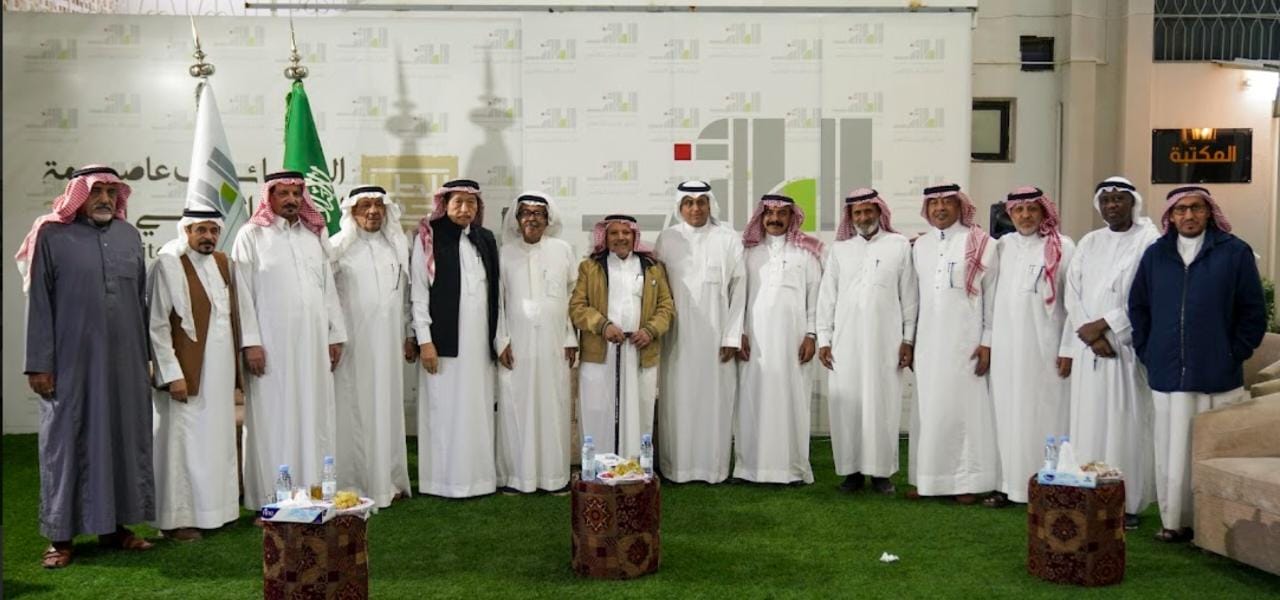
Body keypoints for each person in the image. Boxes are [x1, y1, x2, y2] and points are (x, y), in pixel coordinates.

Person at [18, 165, 155, 568]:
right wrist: (38, 364)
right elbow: (39, 302)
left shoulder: (129, 236)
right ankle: (60, 537)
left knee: (122, 439)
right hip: (71, 363)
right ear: (78, 195)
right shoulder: (50, 235)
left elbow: (140, 301)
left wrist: (146, 358)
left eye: (112, 192)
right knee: (66, 444)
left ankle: (117, 528)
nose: (106, 199)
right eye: (97, 192)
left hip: (125, 363)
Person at [1130, 186, 1266, 542]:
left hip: (1216, 373)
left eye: (1196, 208)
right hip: (1167, 372)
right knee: (1171, 451)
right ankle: (1174, 522)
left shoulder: (1234, 252)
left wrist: (1233, 352)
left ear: (1209, 212)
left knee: (1211, 452)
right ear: (1171, 216)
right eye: (1181, 210)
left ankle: (1212, 528)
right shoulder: (1156, 254)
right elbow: (1139, 307)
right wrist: (1148, 350)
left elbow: (1253, 312)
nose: (1188, 216)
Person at [232, 171, 347, 511]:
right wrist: (251, 342)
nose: (292, 200)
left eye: (297, 194)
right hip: (270, 347)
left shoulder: (313, 236)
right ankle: (271, 500)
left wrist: (335, 335)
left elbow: (328, 290)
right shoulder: (251, 235)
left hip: (313, 344)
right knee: (273, 419)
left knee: (314, 415)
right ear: (269, 197)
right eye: (283, 194)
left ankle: (312, 492)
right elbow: (242, 294)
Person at [1064, 176, 1160, 529]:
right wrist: (1089, 333)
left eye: (1119, 199)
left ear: (1133, 202)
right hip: (1089, 346)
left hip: (1125, 347)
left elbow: (1146, 295)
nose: (1112, 205)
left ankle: (1125, 503)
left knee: (1125, 424)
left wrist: (1106, 325)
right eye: (1105, 200)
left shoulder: (1150, 240)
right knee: (1088, 420)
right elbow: (1072, 292)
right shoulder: (1090, 241)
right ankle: (1088, 494)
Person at [149, 206, 242, 541]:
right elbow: (157, 325)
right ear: (186, 231)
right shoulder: (169, 263)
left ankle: (218, 512)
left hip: (219, 372)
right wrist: (171, 373)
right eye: (201, 230)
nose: (208, 237)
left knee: (217, 441)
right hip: (185, 373)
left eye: (214, 231)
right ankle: (178, 520)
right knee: (182, 443)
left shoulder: (222, 263)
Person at [816, 188, 917, 495]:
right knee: (847, 406)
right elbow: (827, 297)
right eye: (857, 213)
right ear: (851, 217)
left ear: (879, 212)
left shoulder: (898, 245)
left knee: (882, 405)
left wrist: (908, 339)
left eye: (868, 211)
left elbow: (909, 296)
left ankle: (881, 473)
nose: (863, 217)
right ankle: (851, 472)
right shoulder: (840, 249)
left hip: (885, 341)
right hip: (845, 343)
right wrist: (824, 339)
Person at [908, 183, 999, 504]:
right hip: (928, 342)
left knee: (964, 410)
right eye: (934, 203)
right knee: (929, 409)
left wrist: (987, 340)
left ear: (961, 206)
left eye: (947, 202)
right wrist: (910, 341)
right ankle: (928, 480)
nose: (940, 208)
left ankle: (965, 481)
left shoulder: (982, 243)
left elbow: (993, 298)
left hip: (966, 341)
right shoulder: (920, 246)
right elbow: (916, 299)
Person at [410, 179, 501, 498]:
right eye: (458, 202)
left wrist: (500, 340)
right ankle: (442, 482)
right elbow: (419, 293)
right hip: (443, 343)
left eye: (471, 203)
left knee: (477, 409)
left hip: (480, 344)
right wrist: (425, 341)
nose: (465, 209)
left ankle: (479, 480)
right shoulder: (429, 237)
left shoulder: (485, 239)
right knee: (444, 410)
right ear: (445, 205)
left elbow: (497, 294)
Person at [988, 186, 1075, 507]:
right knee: (1006, 415)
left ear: (1043, 212)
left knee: (1046, 414)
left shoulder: (1063, 246)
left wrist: (1068, 347)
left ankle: (1049, 484)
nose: (1025, 216)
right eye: (1018, 210)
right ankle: (1007, 485)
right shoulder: (1001, 247)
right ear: (1009, 214)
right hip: (1007, 349)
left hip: (1046, 349)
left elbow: (1074, 301)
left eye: (1032, 209)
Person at [653, 180, 745, 483]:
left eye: (701, 202)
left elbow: (739, 290)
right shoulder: (667, 239)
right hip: (676, 338)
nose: (695, 208)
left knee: (715, 401)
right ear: (680, 207)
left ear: (710, 205)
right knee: (677, 402)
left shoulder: (728, 239)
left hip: (717, 338)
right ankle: (676, 468)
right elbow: (657, 290)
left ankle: (714, 469)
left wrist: (731, 336)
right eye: (689, 203)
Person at [329, 185, 413, 507]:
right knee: (356, 409)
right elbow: (326, 297)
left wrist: (409, 334)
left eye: (379, 205)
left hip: (389, 345)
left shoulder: (396, 246)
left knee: (386, 406)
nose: (373, 212)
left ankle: (388, 480)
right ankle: (356, 482)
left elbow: (405, 296)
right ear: (352, 212)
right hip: (352, 346)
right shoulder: (338, 247)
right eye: (365, 206)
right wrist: (333, 336)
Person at [569, 215, 675, 458]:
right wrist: (602, 325)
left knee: (639, 410)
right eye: (614, 233)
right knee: (598, 409)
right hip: (601, 352)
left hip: (640, 350)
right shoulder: (590, 267)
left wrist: (650, 330)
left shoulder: (652, 268)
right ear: (605, 237)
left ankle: (634, 465)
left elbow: (666, 306)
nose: (620, 238)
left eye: (626, 232)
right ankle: (598, 465)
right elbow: (577, 307)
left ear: (634, 236)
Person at [735, 194, 824, 485]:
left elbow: (815, 298)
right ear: (760, 217)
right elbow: (738, 298)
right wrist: (738, 333)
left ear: (791, 217)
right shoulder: (748, 253)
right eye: (769, 213)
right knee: (752, 401)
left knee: (792, 400)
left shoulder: (806, 254)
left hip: (793, 343)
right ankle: (749, 469)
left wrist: (811, 334)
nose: (774, 218)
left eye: (781, 213)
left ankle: (792, 469)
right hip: (755, 342)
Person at [493, 191, 578, 494]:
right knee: (516, 407)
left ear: (548, 218)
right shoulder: (505, 253)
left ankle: (554, 477)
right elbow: (497, 301)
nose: (532, 218)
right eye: (526, 213)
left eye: (538, 213)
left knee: (553, 406)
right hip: (516, 344)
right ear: (517, 219)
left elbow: (573, 296)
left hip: (555, 344)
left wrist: (570, 337)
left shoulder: (562, 250)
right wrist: (501, 340)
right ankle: (517, 478)